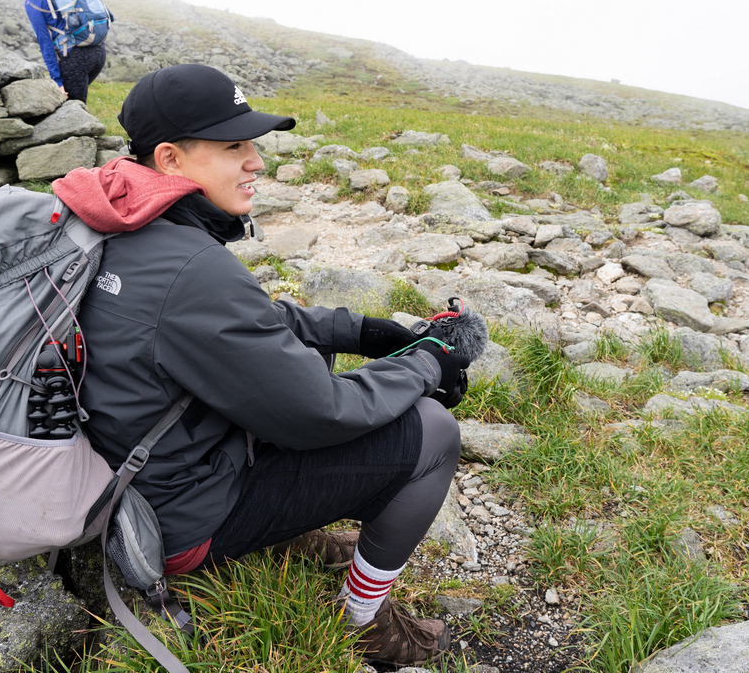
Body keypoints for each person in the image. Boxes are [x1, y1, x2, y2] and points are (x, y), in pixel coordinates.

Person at [52, 64, 469, 666]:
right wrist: (427, 364)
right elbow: (322, 412)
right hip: (177, 522)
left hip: (117, 478)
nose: (257, 162)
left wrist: (361, 332)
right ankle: (365, 621)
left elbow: (232, 323)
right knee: (433, 433)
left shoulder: (110, 217)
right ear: (169, 158)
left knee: (299, 369)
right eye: (234, 146)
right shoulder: (190, 266)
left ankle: (292, 531)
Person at [16, 0, 106, 103]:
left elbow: (45, 42)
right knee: (78, 105)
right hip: (98, 49)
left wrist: (57, 81)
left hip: (75, 58)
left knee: (73, 111)